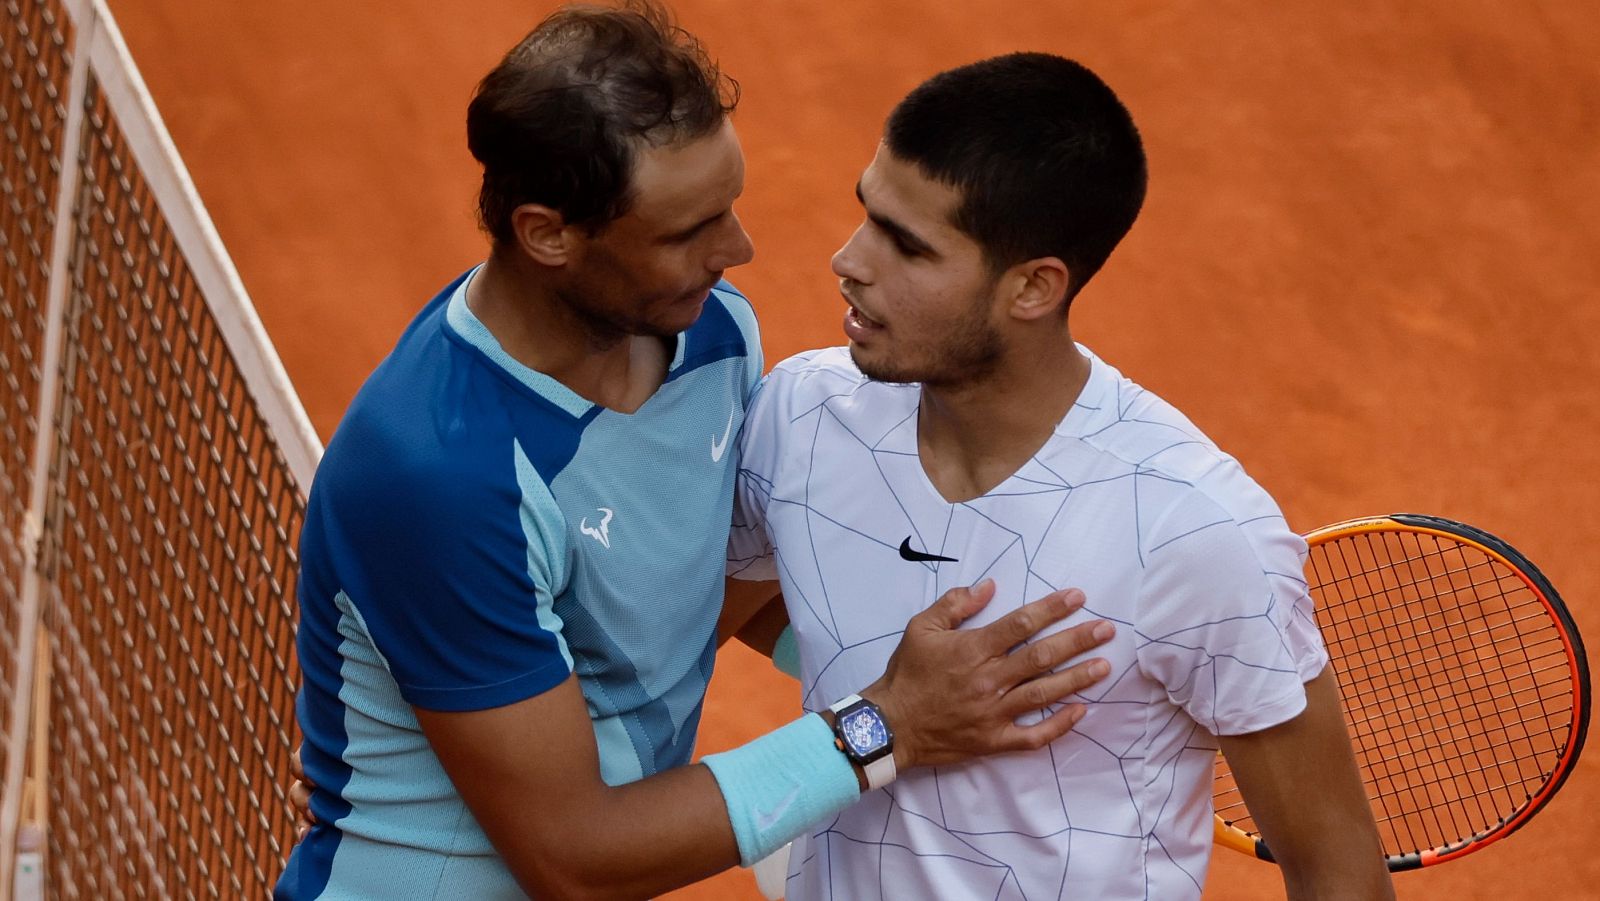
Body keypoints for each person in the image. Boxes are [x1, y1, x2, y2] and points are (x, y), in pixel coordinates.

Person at [274, 5, 1116, 899]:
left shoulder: (710, 335)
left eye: (729, 207)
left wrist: (977, 682)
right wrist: (887, 722)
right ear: (548, 234)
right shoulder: (438, 476)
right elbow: (574, 857)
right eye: (687, 232)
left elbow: (694, 597)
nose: (739, 250)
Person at [722, 54, 1395, 900]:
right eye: (868, 213)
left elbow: (1339, 871)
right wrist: (903, 699)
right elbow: (705, 628)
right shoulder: (802, 416)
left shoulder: (1195, 531)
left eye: (908, 246)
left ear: (1034, 287)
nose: (849, 259)